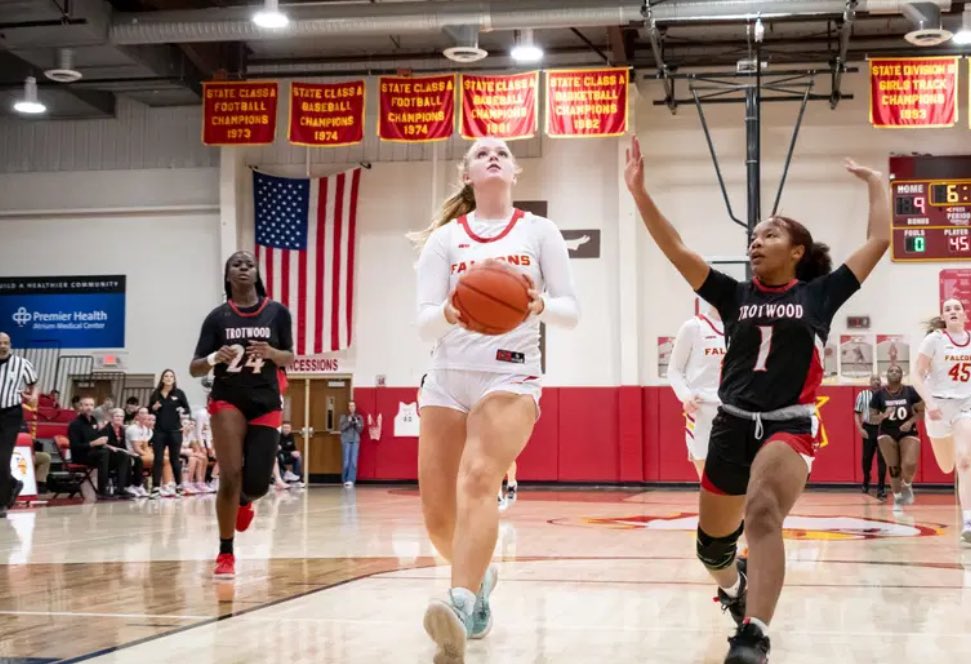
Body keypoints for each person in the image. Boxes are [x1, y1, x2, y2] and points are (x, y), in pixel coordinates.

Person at [624, 135, 889, 663]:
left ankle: (754, 634)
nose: (756, 240)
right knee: (712, 549)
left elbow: (879, 240)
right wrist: (639, 193)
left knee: (763, 512)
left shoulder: (819, 295)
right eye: (754, 235)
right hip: (730, 423)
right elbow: (676, 249)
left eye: (769, 234)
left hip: (789, 425)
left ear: (796, 252)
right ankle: (731, 587)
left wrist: (878, 185)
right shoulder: (732, 295)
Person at [411, 136, 579, 660]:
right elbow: (421, 323)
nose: (492, 157)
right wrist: (449, 314)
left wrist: (539, 304)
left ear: (515, 172)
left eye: (502, 153)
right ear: (467, 175)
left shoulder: (539, 231)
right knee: (439, 517)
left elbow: (572, 311)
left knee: (480, 477)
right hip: (446, 374)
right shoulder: (445, 239)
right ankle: (479, 583)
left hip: (510, 374)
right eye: (482, 153)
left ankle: (459, 600)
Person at [189, 250, 293, 578]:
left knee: (258, 484)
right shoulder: (217, 318)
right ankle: (225, 552)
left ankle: (245, 500)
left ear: (256, 272)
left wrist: (272, 352)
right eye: (237, 264)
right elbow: (193, 368)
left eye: (249, 264)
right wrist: (212, 359)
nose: (244, 268)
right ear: (228, 275)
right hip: (228, 398)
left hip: (266, 400)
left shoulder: (277, 313)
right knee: (230, 474)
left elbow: (289, 356)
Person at [911, 302, 971, 544]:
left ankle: (968, 521)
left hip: (965, 406)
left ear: (965, 314)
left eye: (957, 307)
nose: (953, 311)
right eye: (948, 309)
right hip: (938, 409)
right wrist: (929, 402)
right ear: (944, 317)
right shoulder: (935, 340)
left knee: (965, 461)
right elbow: (915, 374)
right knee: (946, 466)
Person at [668, 305, 727, 479]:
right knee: (708, 479)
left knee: (738, 479)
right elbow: (674, 370)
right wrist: (685, 396)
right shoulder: (693, 327)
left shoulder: (744, 326)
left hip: (735, 409)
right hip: (702, 409)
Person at [870, 365, 922, 509]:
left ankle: (907, 485)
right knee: (893, 467)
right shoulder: (879, 394)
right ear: (886, 375)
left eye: (897, 371)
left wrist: (910, 421)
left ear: (901, 375)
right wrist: (883, 415)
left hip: (908, 431)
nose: (894, 372)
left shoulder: (910, 391)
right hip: (887, 431)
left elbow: (922, 411)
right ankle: (898, 498)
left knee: (909, 464)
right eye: (891, 370)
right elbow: (872, 418)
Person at [0, 332, 37, 516]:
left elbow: (33, 384)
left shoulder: (22, 364)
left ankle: (2, 503)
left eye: (6, 343)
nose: (3, 346)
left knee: (3, 458)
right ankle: (14, 483)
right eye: (0, 343)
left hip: (11, 414)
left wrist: (33, 395)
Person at [68, 397, 132, 498]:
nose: (89, 408)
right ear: (80, 407)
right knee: (104, 453)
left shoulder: (93, 420)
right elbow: (75, 446)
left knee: (122, 455)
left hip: (95, 453)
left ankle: (121, 489)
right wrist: (93, 443)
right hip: (81, 455)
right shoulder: (75, 424)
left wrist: (108, 446)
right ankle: (102, 490)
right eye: (86, 405)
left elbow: (98, 440)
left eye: (91, 405)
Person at [148, 370, 191, 497]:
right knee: (158, 459)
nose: (168, 378)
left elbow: (187, 409)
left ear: (174, 379)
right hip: (159, 431)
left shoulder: (179, 393)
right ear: (162, 379)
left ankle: (178, 486)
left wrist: (183, 412)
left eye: (171, 376)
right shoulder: (155, 393)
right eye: (166, 376)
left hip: (175, 431)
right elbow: (149, 409)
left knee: (174, 459)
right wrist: (153, 408)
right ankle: (155, 487)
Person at [101, 408, 147, 497]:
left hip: (121, 454)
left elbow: (124, 446)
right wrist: (115, 448)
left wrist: (131, 452)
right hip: (109, 456)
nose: (119, 418)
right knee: (126, 458)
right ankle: (123, 487)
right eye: (117, 416)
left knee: (137, 458)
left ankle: (136, 485)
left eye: (122, 416)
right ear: (111, 418)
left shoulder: (123, 430)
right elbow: (102, 444)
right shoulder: (106, 429)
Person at [855, 375, 887, 499]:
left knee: (882, 459)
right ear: (870, 382)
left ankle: (881, 487)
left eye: (878, 380)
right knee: (866, 458)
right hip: (868, 428)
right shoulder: (862, 394)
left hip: (882, 429)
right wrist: (860, 429)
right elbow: (856, 413)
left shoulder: (886, 395)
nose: (876, 382)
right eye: (874, 379)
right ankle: (866, 478)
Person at [339, 402, 363, 488]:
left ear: (355, 407)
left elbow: (360, 429)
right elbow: (341, 428)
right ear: (348, 407)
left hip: (355, 440)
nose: (351, 407)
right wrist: (349, 422)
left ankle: (351, 480)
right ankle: (345, 479)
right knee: (346, 461)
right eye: (350, 406)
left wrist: (356, 422)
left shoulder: (359, 417)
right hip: (346, 440)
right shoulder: (344, 417)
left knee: (353, 461)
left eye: (353, 406)